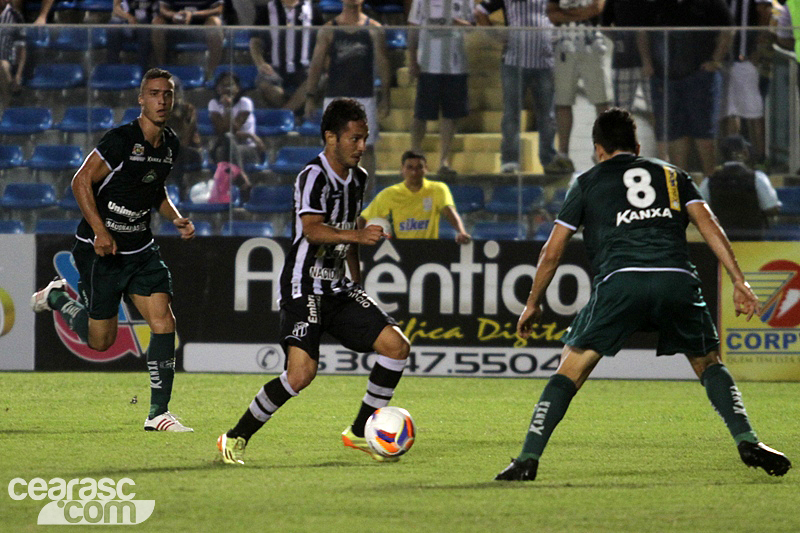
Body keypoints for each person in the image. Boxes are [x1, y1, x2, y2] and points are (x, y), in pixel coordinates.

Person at [495, 108, 792, 481]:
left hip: (622, 282)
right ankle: (747, 439)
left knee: (570, 370)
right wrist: (739, 280)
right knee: (708, 363)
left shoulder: (587, 182)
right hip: (677, 279)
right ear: (636, 146)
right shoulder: (672, 175)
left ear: (598, 149)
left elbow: (551, 252)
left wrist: (533, 302)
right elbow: (709, 225)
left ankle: (527, 458)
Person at [217, 98, 411, 465]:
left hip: (338, 288)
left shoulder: (359, 179)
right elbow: (313, 230)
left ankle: (359, 432)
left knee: (397, 347)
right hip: (303, 286)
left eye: (364, 138)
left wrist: (357, 277)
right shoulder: (313, 176)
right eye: (354, 138)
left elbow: (351, 226)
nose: (361, 146)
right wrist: (358, 238)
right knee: (301, 374)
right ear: (330, 138)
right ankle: (235, 436)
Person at [30, 68, 196, 433]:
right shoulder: (121, 140)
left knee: (164, 321)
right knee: (100, 341)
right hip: (100, 252)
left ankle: (157, 413)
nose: (162, 101)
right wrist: (101, 231)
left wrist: (177, 218)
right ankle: (58, 298)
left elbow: (155, 190)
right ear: (141, 99)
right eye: (154, 94)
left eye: (167, 94)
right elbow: (80, 181)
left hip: (140, 250)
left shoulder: (170, 144)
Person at [636, 0, 733, 177]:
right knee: (674, 134)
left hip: (700, 77)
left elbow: (727, 30)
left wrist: (716, 60)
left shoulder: (712, 4)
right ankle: (680, 183)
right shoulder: (654, 4)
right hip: (664, 78)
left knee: (704, 133)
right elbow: (643, 33)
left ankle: (710, 183)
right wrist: (647, 63)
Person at [303, 0, 392, 186]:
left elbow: (383, 63)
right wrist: (310, 97)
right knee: (334, 149)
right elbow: (316, 64)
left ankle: (366, 198)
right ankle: (334, 197)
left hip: (364, 97)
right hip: (335, 98)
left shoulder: (373, 29)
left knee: (365, 149)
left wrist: (386, 95)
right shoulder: (329, 29)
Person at [475, 0, 559, 174]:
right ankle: (510, 161)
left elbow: (560, 12)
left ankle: (549, 159)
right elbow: (480, 11)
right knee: (511, 114)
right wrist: (495, 35)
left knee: (548, 116)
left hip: (544, 61)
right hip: (513, 62)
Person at [407, 0, 474, 176]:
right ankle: (415, 155)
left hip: (455, 65)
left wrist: (462, 24)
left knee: (450, 115)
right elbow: (413, 29)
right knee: (421, 113)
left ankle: (444, 161)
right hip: (428, 65)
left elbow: (471, 27)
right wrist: (412, 59)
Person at [547, 0, 611, 173]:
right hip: (564, 44)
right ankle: (563, 155)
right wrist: (579, 12)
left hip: (593, 43)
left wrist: (567, 14)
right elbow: (552, 14)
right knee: (563, 101)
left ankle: (602, 150)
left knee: (602, 101)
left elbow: (596, 9)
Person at [360, 150, 472, 242]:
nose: (414, 172)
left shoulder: (437, 189)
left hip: (429, 249)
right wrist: (355, 238)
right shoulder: (389, 194)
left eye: (419, 167)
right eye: (410, 167)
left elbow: (450, 212)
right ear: (402, 170)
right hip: (401, 249)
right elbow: (364, 217)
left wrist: (461, 232)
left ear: (426, 169)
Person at [699, 134, 781, 240]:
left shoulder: (709, 181)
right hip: (754, 243)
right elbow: (771, 208)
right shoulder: (757, 178)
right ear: (745, 153)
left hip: (722, 243)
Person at [249, 0, 324, 114]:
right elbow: (255, 42)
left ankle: (283, 115)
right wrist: (261, 63)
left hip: (304, 67)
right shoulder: (266, 10)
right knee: (265, 85)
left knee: (316, 79)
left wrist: (316, 64)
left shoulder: (313, 10)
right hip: (274, 67)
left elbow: (322, 41)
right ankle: (294, 114)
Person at [721, 0, 772, 166]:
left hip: (746, 59)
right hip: (726, 60)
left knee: (754, 110)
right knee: (730, 110)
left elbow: (765, 11)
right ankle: (732, 157)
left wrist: (758, 47)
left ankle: (761, 157)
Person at [208, 71, 265, 176]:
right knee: (224, 149)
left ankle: (236, 181)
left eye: (231, 85)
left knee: (226, 152)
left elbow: (233, 129)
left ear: (238, 88)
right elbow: (221, 131)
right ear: (218, 89)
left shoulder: (245, 103)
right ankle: (241, 179)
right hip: (226, 146)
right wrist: (249, 135)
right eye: (223, 85)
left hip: (248, 148)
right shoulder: (214, 104)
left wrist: (228, 108)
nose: (227, 89)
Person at [152, 0, 224, 79]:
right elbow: (163, 9)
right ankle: (162, 70)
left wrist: (193, 14)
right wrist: (174, 15)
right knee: (157, 22)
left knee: (215, 22)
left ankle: (211, 73)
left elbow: (218, 9)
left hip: (202, 24)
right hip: (175, 23)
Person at [106, 0, 157, 69]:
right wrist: (128, 17)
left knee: (145, 32)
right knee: (113, 29)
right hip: (124, 20)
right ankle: (113, 67)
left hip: (145, 21)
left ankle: (143, 68)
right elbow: (116, 8)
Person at [0, 0, 25, 111]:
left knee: (2, 64)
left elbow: (22, 48)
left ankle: (7, 107)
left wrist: (18, 74)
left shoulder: (15, 16)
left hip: (7, 60)